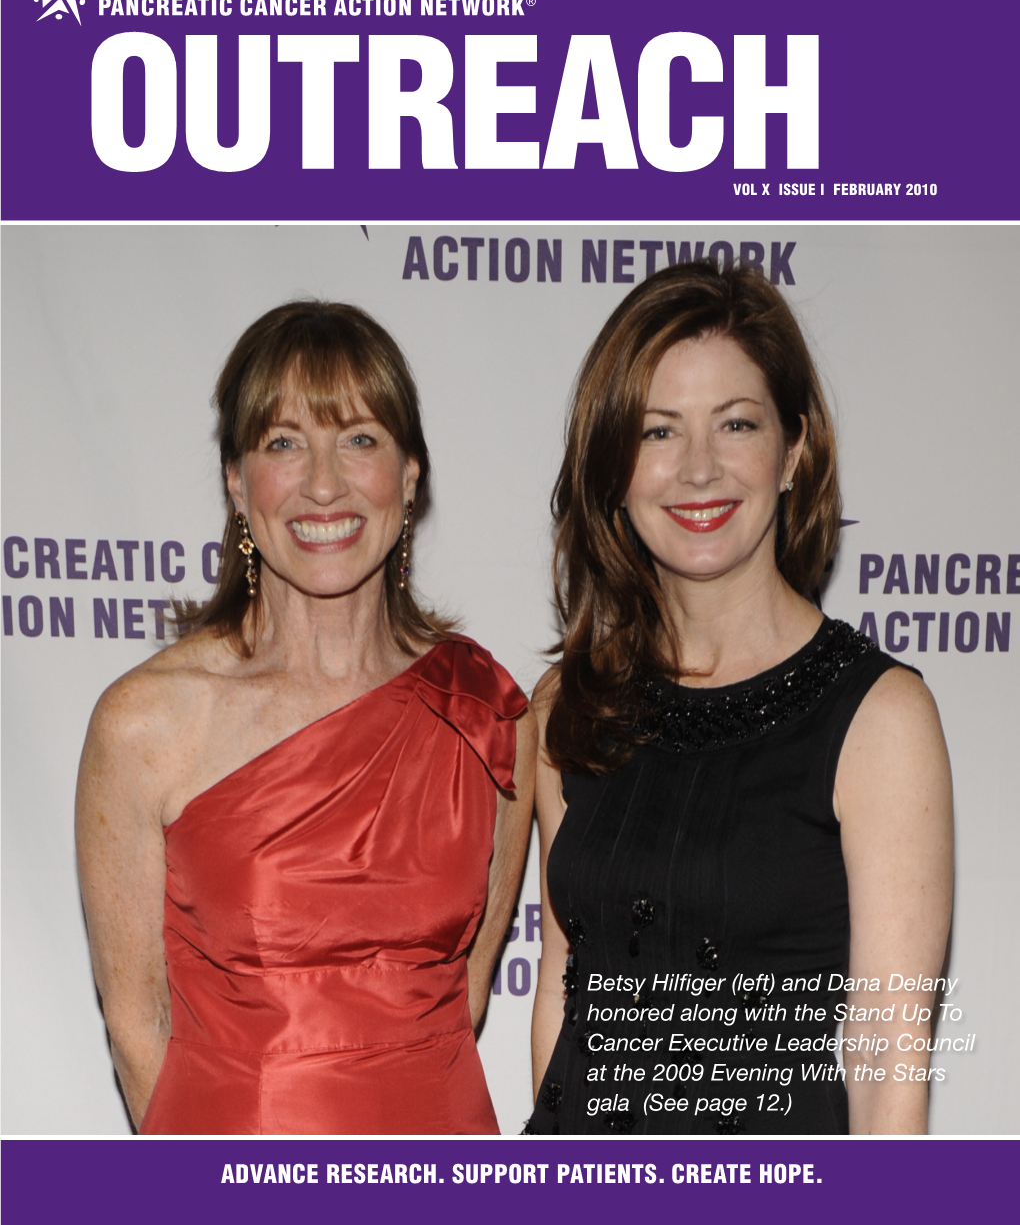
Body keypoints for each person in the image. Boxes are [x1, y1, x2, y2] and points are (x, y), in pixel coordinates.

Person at [75, 301, 535, 1135]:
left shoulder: (487, 714)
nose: (324, 484)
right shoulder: (145, 725)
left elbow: (464, 995)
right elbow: (138, 1029)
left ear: (409, 476)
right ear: (236, 481)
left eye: (359, 438)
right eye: (284, 442)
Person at [528, 262, 953, 1135]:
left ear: (794, 449)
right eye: (657, 432)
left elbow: (886, 1082)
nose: (698, 470)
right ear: (613, 464)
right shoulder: (569, 704)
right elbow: (563, 986)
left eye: (736, 424)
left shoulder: (879, 719)